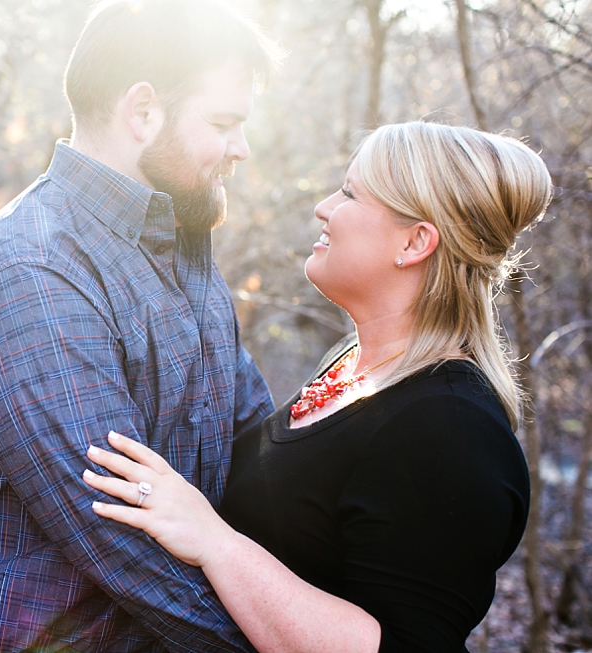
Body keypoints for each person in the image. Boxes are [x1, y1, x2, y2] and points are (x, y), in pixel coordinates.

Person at [83, 122, 552, 652]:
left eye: (350, 193)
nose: (323, 207)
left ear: (415, 241)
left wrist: (213, 541)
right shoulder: (355, 365)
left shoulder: (450, 428)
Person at [0, 1, 279, 650]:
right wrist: (289, 636)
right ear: (143, 111)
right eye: (223, 123)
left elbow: (254, 445)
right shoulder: (26, 273)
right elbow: (128, 545)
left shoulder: (181, 248)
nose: (241, 149)